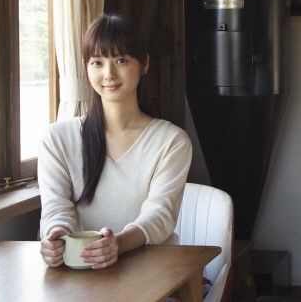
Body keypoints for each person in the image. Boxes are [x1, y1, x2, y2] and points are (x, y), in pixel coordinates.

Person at [38, 14, 192, 270]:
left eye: (121, 60)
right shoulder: (56, 139)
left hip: (152, 271)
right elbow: (56, 209)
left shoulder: (171, 141)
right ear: (86, 66)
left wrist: (117, 244)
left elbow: (160, 215)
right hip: (81, 272)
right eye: (97, 62)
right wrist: (55, 236)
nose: (108, 74)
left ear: (144, 64)